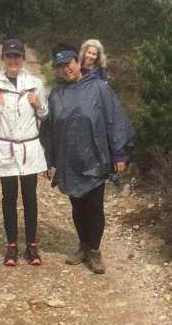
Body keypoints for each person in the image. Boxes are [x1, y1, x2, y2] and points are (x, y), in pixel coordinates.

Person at [47, 43, 134, 274]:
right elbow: (50, 131)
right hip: (69, 159)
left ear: (78, 62)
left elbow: (114, 120)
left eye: (69, 64)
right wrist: (51, 162)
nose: (66, 69)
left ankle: (94, 251)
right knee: (77, 204)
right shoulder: (56, 94)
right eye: (60, 66)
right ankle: (83, 245)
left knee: (94, 206)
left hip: (95, 158)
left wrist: (119, 154)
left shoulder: (99, 88)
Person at [0, 39, 48, 267]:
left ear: (23, 58)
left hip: (29, 148)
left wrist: (39, 105)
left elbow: (45, 116)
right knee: (9, 198)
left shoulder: (35, 84)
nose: (13, 61)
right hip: (5, 148)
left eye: (17, 56)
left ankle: (32, 245)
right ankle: (11, 246)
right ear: (3, 59)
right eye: (9, 56)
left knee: (30, 198)